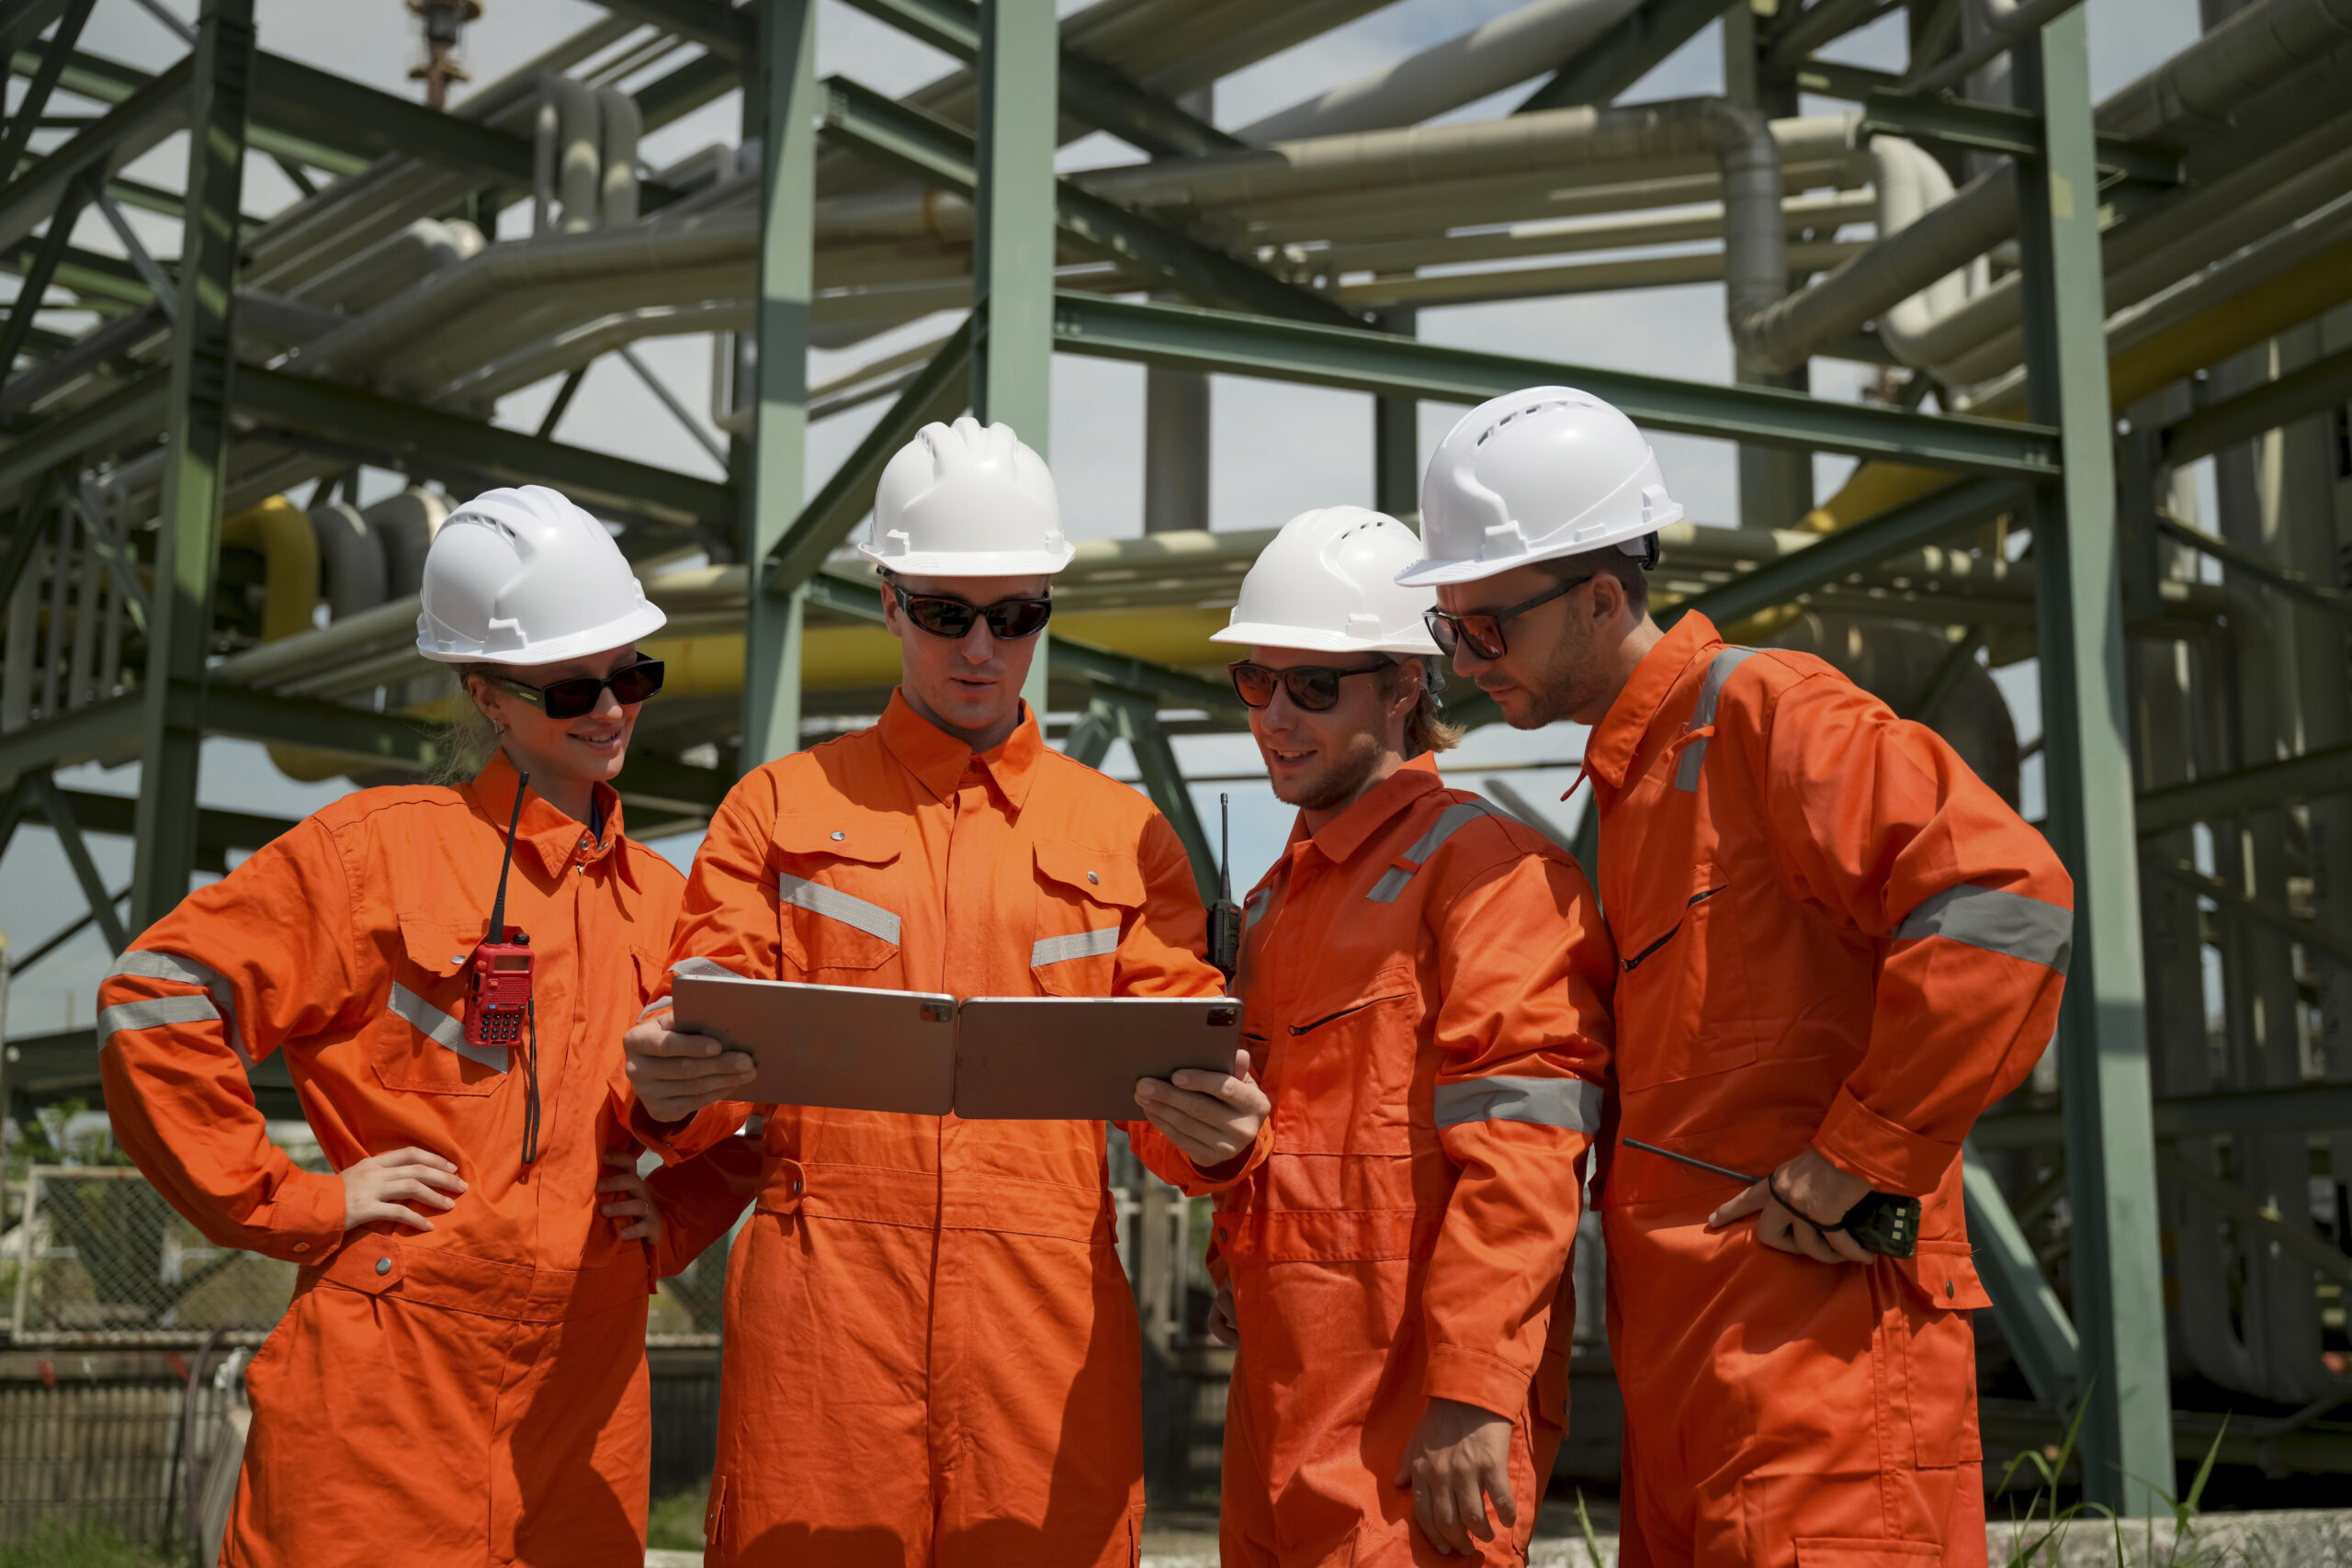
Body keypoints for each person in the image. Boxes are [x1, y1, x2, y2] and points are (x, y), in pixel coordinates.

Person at [1401, 388, 2074, 1568]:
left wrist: (1864, 1156)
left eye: (1487, 628)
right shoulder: (1632, 788)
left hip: (1822, 1394)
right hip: (1696, 1395)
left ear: (1602, 598)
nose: (1463, 662)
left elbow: (2003, 898)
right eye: (1448, 631)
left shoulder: (1764, 713)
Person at [620, 416, 1270, 1567]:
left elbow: (1175, 1113)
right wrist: (674, 1088)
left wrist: (1217, 1139)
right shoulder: (776, 813)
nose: (981, 649)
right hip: (825, 1321)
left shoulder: (1121, 837)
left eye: (1015, 617)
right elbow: (713, 1072)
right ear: (888, 601)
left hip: (1044, 1316)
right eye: (946, 614)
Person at [96, 485, 686, 1568]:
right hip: (391, 1386)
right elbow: (158, 996)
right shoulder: (375, 854)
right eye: (570, 686)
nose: (609, 708)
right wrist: (294, 1200)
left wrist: (677, 1210)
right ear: (487, 696)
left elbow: (757, 1095)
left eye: (631, 675)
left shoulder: (664, 899)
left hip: (586, 1397)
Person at [1199, 507, 1614, 1565]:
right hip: (1277, 1407)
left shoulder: (1484, 871)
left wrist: (1473, 1391)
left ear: (1402, 687)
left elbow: (1524, 1148)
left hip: (1411, 1425)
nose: (1277, 717)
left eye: (1314, 686)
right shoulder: (1275, 901)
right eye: (1258, 681)